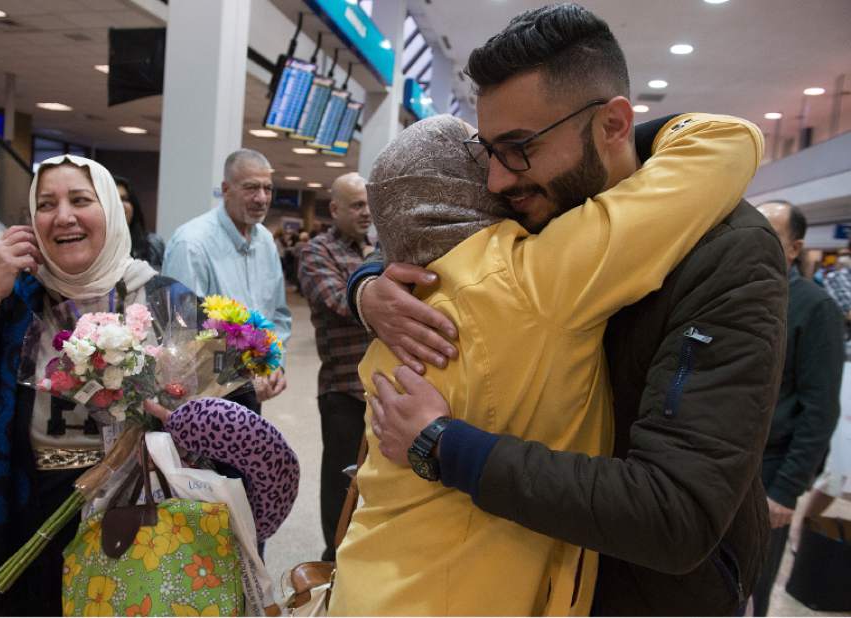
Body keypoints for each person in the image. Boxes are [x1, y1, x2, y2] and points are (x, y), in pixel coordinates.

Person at [346, 4, 788, 615]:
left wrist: (444, 445)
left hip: (643, 595)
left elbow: (677, 511)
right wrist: (369, 284)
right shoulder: (538, 225)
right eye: (488, 154)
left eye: (520, 148)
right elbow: (437, 243)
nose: (498, 181)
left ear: (612, 125)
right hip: (537, 575)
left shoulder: (729, 251)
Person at [0, 155, 187, 616]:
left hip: (147, 533)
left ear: (111, 210)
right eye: (46, 204)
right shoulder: (15, 307)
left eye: (80, 199)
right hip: (32, 535)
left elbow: (226, 411)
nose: (64, 215)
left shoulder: (166, 301)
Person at [750, 201, 844, 616]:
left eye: (769, 234)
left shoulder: (814, 307)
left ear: (794, 247)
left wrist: (786, 489)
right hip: (729, 461)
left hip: (771, 469)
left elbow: (820, 408)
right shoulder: (740, 291)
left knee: (752, 579)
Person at [162, 149, 291, 412]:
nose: (262, 198)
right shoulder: (192, 243)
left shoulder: (265, 241)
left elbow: (277, 314)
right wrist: (240, 377)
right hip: (202, 396)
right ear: (225, 189)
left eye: (268, 188)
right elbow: (184, 331)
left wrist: (275, 362)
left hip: (252, 388)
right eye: (251, 188)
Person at [296, 172, 373, 561]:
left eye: (369, 202)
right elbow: (342, 303)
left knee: (379, 485)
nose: (366, 212)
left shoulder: (376, 246)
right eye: (357, 204)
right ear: (334, 209)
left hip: (385, 391)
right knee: (340, 487)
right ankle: (334, 561)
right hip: (344, 390)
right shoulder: (316, 252)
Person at [114, 176, 165, 269]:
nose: (120, 205)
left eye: (125, 199)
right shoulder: (93, 245)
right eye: (114, 199)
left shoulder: (152, 243)